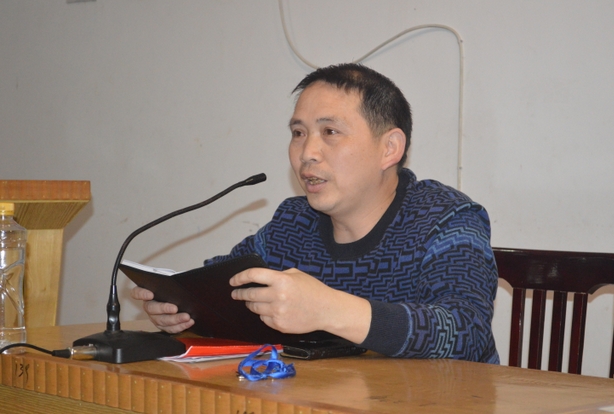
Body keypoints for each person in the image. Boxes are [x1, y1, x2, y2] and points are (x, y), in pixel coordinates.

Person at [132, 63, 499, 363]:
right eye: (298, 133)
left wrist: (329, 309)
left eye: (330, 132)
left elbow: (466, 332)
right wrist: (183, 309)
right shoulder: (294, 223)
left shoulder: (447, 218)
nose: (307, 152)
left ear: (389, 148)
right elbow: (220, 285)